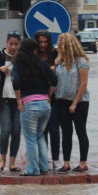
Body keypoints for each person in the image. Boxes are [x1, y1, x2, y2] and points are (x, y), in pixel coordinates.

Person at [13, 37, 57, 176]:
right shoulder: (42, 64)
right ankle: (44, 166)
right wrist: (49, 96)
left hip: (30, 105)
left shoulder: (18, 64)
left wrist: (19, 100)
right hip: (45, 105)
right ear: (34, 50)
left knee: (30, 138)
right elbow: (54, 79)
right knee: (39, 136)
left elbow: (16, 82)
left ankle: (33, 169)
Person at [53, 33, 90, 173]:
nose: (59, 47)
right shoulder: (59, 61)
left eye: (62, 45)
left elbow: (83, 84)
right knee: (66, 133)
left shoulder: (81, 61)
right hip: (61, 101)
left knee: (81, 131)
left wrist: (74, 103)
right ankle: (66, 163)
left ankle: (83, 163)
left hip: (80, 102)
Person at [0, 33, 22, 172]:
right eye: (11, 44)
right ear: (6, 43)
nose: (13, 47)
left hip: (18, 99)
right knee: (6, 130)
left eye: (16, 44)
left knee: (16, 130)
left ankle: (12, 162)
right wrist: (0, 69)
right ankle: (2, 161)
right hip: (2, 98)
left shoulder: (22, 57)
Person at [35, 30, 60, 170]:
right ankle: (43, 160)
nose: (43, 45)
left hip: (54, 98)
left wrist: (55, 66)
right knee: (40, 132)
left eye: (45, 42)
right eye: (40, 42)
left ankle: (56, 159)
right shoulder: (33, 55)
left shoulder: (55, 54)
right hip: (37, 96)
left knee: (54, 130)